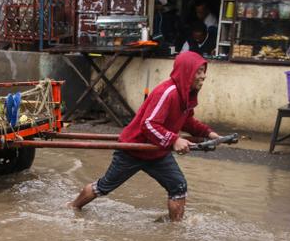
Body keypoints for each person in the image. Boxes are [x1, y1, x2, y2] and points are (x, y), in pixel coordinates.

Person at [67, 51, 221, 222]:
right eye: (199, 72)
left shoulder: (185, 95)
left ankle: (175, 231)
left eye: (203, 71)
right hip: (133, 150)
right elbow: (148, 124)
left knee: (178, 186)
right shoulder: (168, 92)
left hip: (157, 153)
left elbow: (187, 121)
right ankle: (73, 207)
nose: (203, 76)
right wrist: (174, 140)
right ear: (187, 72)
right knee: (104, 187)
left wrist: (208, 132)